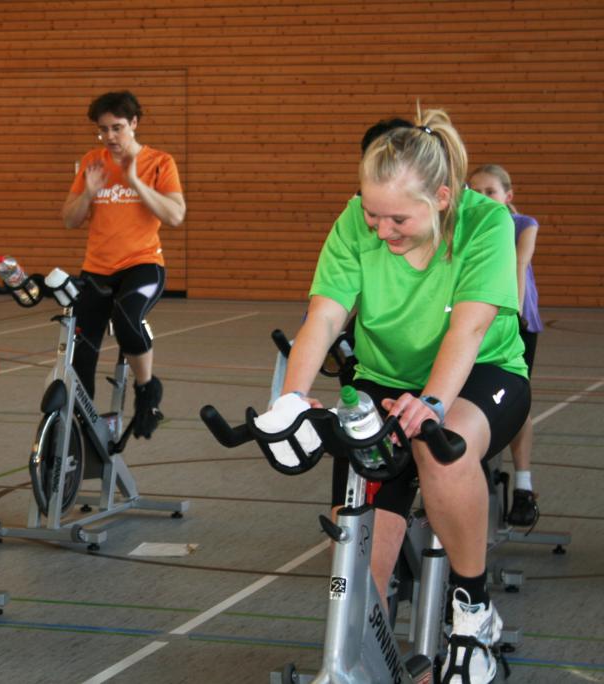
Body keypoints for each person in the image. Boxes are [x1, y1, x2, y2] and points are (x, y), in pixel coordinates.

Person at [266, 108, 530, 683]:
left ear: (441, 198)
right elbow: (325, 315)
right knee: (360, 568)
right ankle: (368, 659)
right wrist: (291, 399)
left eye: (398, 220)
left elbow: (470, 329)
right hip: (384, 378)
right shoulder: (355, 221)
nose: (381, 231)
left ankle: (473, 613)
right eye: (371, 214)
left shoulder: (486, 223)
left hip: (482, 372)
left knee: (442, 446)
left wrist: (431, 403)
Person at [61, 90, 186, 439]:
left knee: (126, 317)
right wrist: (89, 191)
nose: (110, 137)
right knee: (81, 351)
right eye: (103, 130)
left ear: (134, 123)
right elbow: (70, 219)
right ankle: (82, 426)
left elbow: (175, 215)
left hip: (142, 265)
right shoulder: (92, 162)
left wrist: (135, 183)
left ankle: (147, 391)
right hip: (97, 269)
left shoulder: (159, 162)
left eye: (117, 128)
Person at [469, 164, 542, 527]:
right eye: (476, 192)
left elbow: (518, 264)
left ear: (507, 196)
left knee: (516, 400)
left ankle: (524, 486)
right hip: (474, 322)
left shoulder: (522, 224)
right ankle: (473, 470)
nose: (483, 198)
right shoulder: (466, 225)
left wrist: (510, 314)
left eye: (491, 192)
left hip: (516, 320)